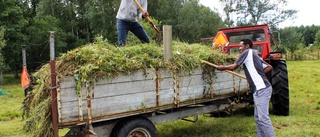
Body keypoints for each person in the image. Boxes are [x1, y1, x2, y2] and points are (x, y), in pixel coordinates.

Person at [217, 39, 276, 137]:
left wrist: (222, 67)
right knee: (258, 118)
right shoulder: (254, 54)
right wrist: (257, 75)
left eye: (241, 46)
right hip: (259, 90)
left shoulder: (247, 52)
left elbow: (233, 67)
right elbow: (269, 67)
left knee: (263, 118)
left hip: (262, 89)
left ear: (247, 46)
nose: (239, 48)